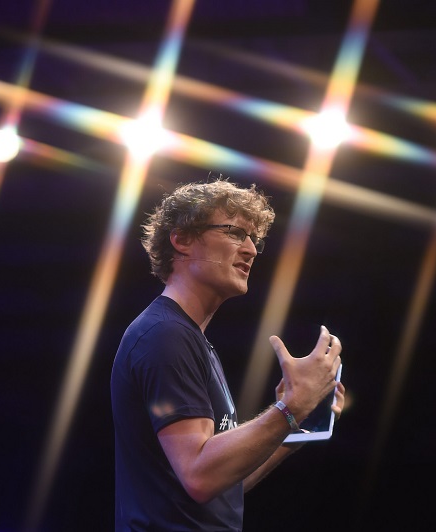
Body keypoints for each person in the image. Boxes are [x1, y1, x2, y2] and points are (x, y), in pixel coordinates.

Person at [111, 178, 344, 531]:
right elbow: (200, 476)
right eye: (235, 233)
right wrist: (290, 407)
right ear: (182, 239)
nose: (251, 250)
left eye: (255, 239)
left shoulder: (191, 340)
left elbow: (222, 484)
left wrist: (297, 423)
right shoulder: (164, 335)